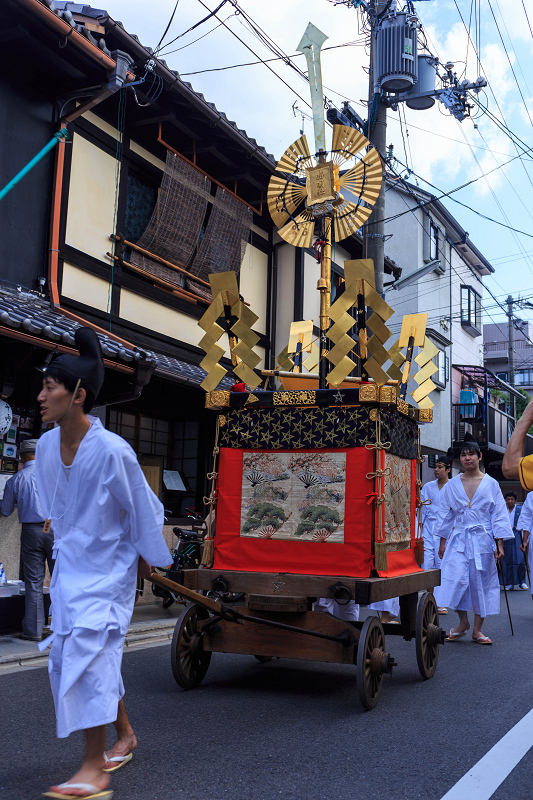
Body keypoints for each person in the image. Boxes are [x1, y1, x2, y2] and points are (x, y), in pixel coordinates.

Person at [35, 327, 172, 800]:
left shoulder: (114, 450)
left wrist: (146, 558)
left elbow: (144, 510)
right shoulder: (47, 446)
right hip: (73, 566)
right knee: (77, 654)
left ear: (78, 395)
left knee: (86, 653)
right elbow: (58, 508)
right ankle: (126, 735)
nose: (40, 396)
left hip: (110, 568)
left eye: (49, 387)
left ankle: (93, 767)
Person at [432, 434, 513, 645]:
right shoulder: (452, 485)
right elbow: (445, 513)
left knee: (481, 583)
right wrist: (442, 541)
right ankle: (463, 622)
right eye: (464, 455)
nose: (467, 458)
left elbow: (499, 514)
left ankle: (478, 630)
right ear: (460, 459)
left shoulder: (491, 484)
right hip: (459, 539)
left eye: (471, 454)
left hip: (483, 539)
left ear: (479, 456)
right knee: (457, 578)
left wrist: (500, 543)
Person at [1, 438, 52, 641]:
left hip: (31, 532)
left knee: (33, 583)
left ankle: (33, 631)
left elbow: (5, 511)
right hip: (56, 529)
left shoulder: (16, 479)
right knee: (64, 580)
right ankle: (67, 629)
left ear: (21, 457)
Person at [419, 449, 454, 615]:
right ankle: (429, 599)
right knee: (428, 565)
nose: (436, 469)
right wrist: (419, 531)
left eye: (440, 467)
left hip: (445, 533)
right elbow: (422, 511)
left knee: (442, 566)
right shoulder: (427, 487)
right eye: (435, 467)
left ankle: (440, 601)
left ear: (448, 469)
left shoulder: (454, 487)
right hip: (428, 530)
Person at [500, 491, 527, 591]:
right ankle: (509, 583)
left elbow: (525, 522)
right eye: (508, 499)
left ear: (516, 500)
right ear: (505, 500)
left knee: (520, 560)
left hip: (518, 534)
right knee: (507, 560)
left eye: (512, 499)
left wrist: (525, 539)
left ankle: (522, 582)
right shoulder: (502, 510)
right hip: (506, 535)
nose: (510, 501)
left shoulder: (520, 509)